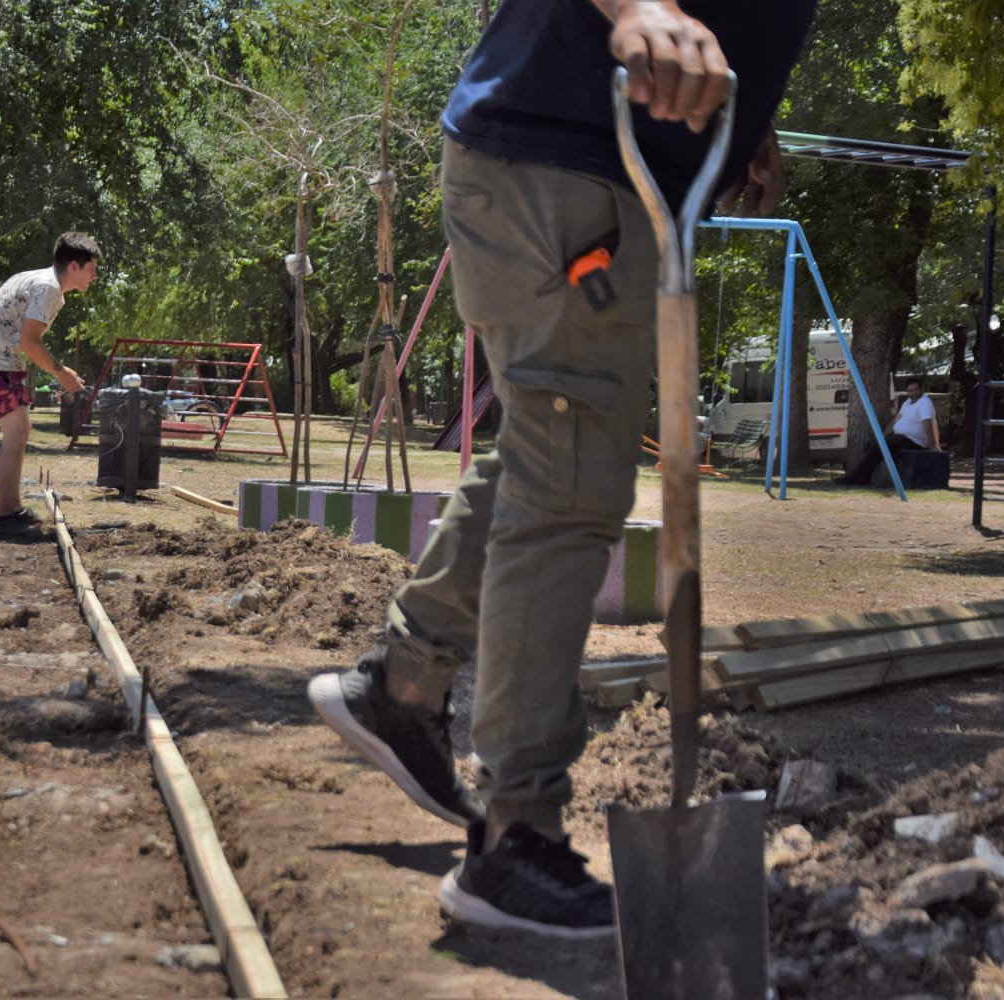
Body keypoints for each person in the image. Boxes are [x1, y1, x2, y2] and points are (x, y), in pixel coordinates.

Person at [307, 0, 817, 938]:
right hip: (568, 154)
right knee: (571, 486)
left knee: (553, 460)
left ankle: (406, 681)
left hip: (597, 163)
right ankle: (512, 839)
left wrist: (747, 112)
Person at [0, 232, 99, 540]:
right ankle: (1, 518)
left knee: (20, 433)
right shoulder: (49, 287)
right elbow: (29, 342)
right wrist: (60, 371)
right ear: (74, 266)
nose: (94, 276)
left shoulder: (43, 281)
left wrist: (59, 370)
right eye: (91, 268)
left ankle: (12, 510)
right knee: (15, 435)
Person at [836, 377, 940, 485]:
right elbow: (896, 420)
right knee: (873, 444)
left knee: (881, 447)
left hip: (913, 441)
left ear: (921, 389)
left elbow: (929, 424)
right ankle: (864, 476)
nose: (913, 393)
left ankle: (857, 478)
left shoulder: (924, 402)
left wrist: (932, 445)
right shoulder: (907, 403)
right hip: (900, 438)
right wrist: (883, 437)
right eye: (910, 391)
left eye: (915, 390)